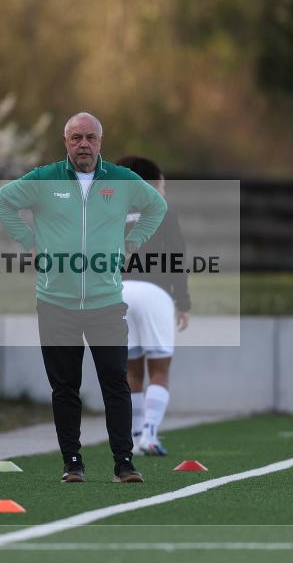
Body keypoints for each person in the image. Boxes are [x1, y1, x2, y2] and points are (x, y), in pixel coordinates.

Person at [0, 112, 167, 483]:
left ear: (100, 142)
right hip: (55, 302)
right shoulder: (44, 179)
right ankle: (72, 463)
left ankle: (124, 463)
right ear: (66, 142)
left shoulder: (122, 179)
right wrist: (28, 242)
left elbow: (157, 206)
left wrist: (133, 242)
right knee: (65, 387)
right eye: (76, 138)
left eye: (90, 138)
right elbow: (1, 201)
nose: (83, 144)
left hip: (106, 302)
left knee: (115, 383)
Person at [118, 156, 190, 456]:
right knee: (159, 369)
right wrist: (182, 302)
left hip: (119, 293)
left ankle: (135, 439)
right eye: (161, 183)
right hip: (154, 292)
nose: (163, 190)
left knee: (131, 371)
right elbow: (177, 257)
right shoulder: (162, 210)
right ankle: (149, 433)